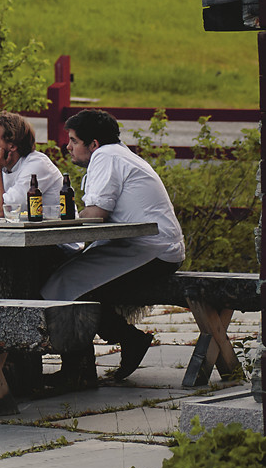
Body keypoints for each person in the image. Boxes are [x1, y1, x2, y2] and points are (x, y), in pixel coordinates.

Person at [42, 109, 185, 388]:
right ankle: (126, 340)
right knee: (66, 278)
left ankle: (80, 370)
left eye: (73, 141)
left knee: (64, 283)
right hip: (149, 245)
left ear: (93, 144)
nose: (68, 147)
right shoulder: (118, 154)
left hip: (152, 249)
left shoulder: (106, 156)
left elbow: (95, 214)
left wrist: (57, 225)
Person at [0, 113, 63, 219]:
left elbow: (2, 213)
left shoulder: (37, 164)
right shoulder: (6, 167)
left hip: (59, 231)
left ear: (12, 146)